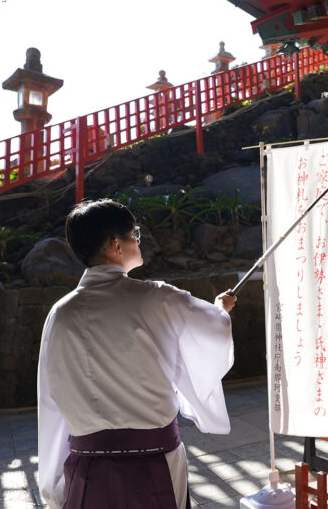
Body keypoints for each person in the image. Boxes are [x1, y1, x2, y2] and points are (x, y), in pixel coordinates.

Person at [37, 199, 236, 508]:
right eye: (135, 234)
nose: (139, 240)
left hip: (86, 467)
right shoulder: (156, 297)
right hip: (156, 462)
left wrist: (52, 486)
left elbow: (49, 401)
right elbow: (213, 330)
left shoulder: (60, 314)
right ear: (117, 244)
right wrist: (221, 311)